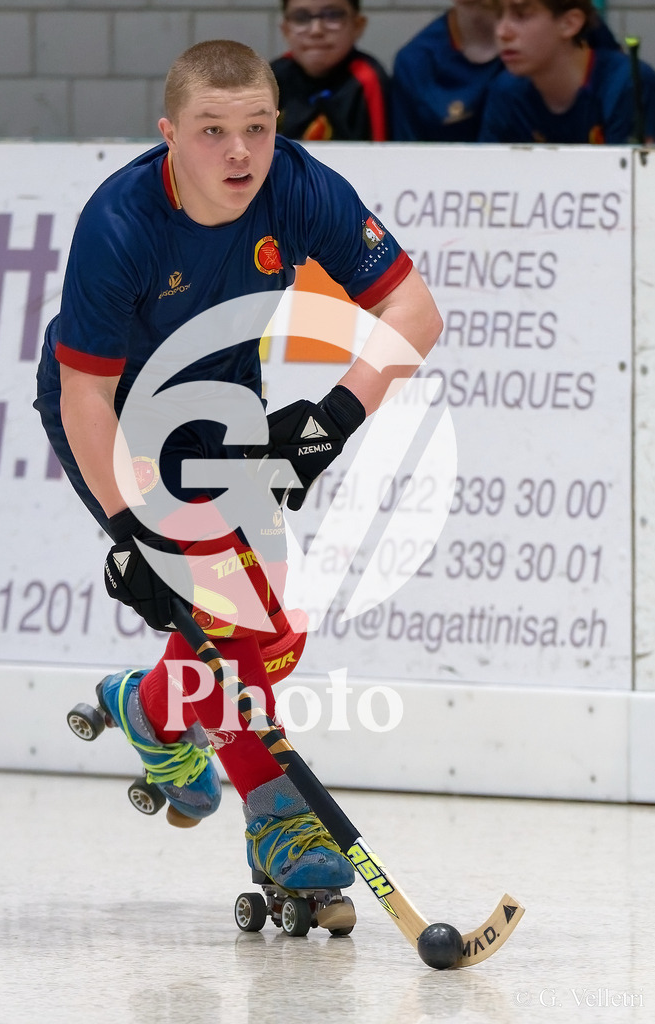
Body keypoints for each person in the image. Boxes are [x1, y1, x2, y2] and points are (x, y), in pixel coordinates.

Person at [35, 40, 442, 905]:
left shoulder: (297, 186)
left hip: (224, 411)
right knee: (231, 619)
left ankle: (152, 707)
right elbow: (83, 399)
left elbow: (415, 310)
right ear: (169, 135)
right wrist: (131, 535)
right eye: (213, 132)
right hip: (115, 422)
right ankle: (280, 818)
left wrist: (333, 420)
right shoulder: (120, 222)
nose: (240, 154)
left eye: (257, 128)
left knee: (264, 631)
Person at [390, 0, 621, 142]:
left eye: (521, 14)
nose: (504, 32)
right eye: (503, 14)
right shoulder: (417, 61)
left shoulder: (569, 29)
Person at [479, 0, 655, 143]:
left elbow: (632, 186)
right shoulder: (504, 91)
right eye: (498, 16)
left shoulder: (627, 84)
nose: (502, 32)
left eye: (521, 15)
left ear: (570, 23)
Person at [271, 0, 389, 140]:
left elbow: (380, 152)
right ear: (285, 29)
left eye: (333, 16)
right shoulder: (273, 76)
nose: (316, 30)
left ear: (357, 25)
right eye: (301, 18)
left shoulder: (368, 79)